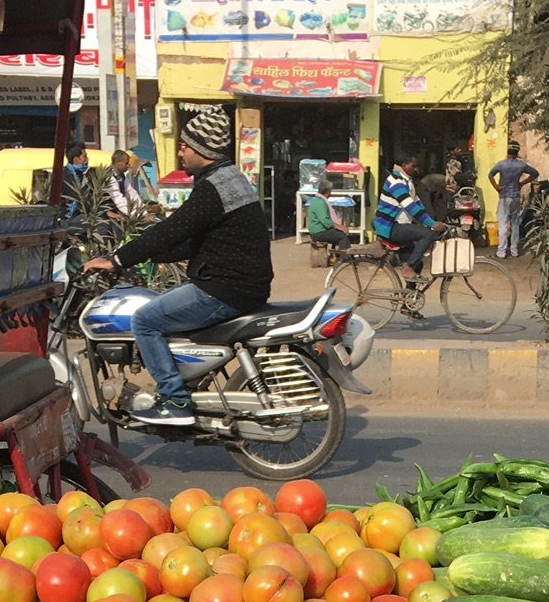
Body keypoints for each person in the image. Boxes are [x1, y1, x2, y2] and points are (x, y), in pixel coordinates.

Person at [79, 109, 269, 428]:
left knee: (145, 320)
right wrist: (151, 256)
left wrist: (116, 260)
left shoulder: (213, 189)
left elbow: (171, 230)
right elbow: (195, 241)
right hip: (240, 284)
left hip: (225, 289)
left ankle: (173, 399)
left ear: (203, 150)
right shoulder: (230, 178)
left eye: (185, 145)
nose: (180, 150)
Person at [374, 149, 436, 284]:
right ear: (404, 165)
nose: (416, 169)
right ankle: (408, 268)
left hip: (400, 226)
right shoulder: (395, 181)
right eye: (414, 166)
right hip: (391, 227)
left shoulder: (407, 182)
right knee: (427, 235)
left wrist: (433, 222)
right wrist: (432, 226)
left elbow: (418, 205)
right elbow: (410, 207)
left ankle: (407, 300)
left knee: (417, 262)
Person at [487, 142, 538, 259]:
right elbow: (535, 173)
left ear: (507, 151)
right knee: (515, 223)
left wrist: (496, 187)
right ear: (517, 152)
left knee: (503, 223)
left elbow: (490, 174)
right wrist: (522, 183)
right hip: (515, 196)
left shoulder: (501, 164)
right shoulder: (521, 165)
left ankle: (501, 251)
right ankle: (514, 251)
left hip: (504, 196)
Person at [303, 187, 348, 252]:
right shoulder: (320, 203)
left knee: (336, 232)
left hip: (317, 231)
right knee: (342, 235)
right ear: (327, 192)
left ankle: (335, 254)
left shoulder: (317, 200)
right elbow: (325, 220)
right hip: (318, 233)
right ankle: (344, 257)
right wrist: (340, 226)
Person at [107, 148, 146, 216]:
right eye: (126, 163)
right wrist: (134, 215)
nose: (128, 166)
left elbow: (131, 193)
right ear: (118, 162)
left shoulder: (122, 176)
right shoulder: (109, 177)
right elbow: (118, 200)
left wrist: (143, 212)